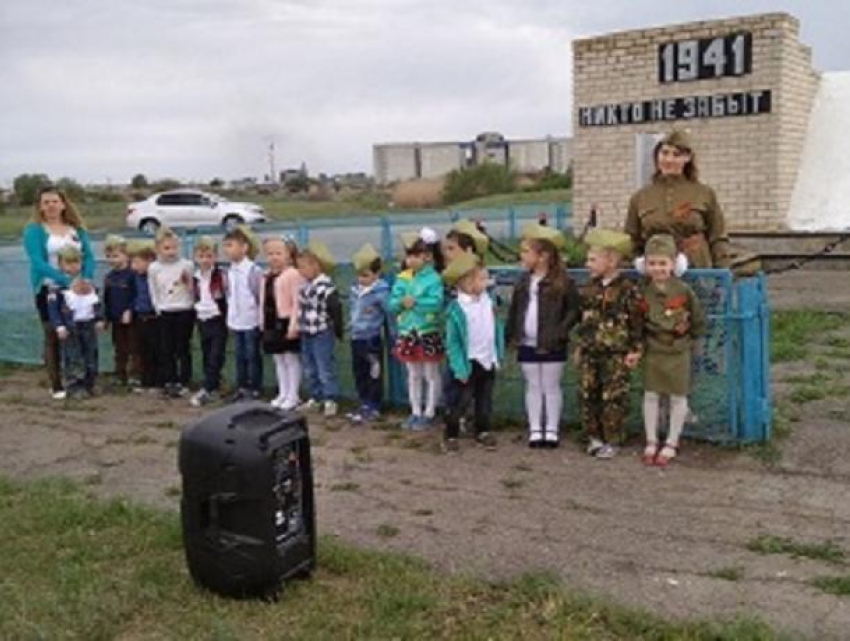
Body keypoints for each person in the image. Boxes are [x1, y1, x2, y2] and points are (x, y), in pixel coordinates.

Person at [506, 223, 580, 448]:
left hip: (552, 342)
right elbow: (515, 310)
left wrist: (560, 332)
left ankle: (552, 429)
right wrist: (512, 334)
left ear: (543, 256)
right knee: (533, 385)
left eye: (526, 251)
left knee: (551, 385)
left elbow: (573, 311)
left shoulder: (563, 282)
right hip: (527, 342)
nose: (522, 256)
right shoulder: (523, 281)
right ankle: (536, 428)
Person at [575, 229, 644, 460]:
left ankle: (612, 438)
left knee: (613, 397)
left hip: (616, 352)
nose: (588, 264)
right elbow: (584, 320)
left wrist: (635, 349)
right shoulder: (589, 287)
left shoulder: (628, 289)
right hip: (590, 350)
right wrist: (580, 346)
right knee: (588, 393)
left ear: (612, 261)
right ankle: (592, 436)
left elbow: (636, 322)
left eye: (593, 259)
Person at [22, 186, 95, 399]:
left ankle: (81, 378)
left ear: (63, 204)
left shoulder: (76, 229)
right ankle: (56, 384)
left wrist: (86, 278)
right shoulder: (34, 231)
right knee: (53, 334)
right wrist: (65, 280)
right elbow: (37, 262)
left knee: (79, 334)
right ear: (40, 207)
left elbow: (89, 256)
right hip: (49, 288)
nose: (51, 206)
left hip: (78, 289)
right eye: (46, 202)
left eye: (55, 201)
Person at [640, 234, 706, 467]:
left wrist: (691, 338)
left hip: (678, 350)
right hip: (654, 349)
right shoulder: (643, 291)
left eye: (663, 263)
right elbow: (638, 320)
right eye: (652, 263)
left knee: (678, 396)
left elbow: (697, 318)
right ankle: (651, 439)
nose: (658, 268)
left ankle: (671, 441)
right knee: (651, 395)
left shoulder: (683, 290)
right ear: (645, 265)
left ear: (673, 264)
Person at [625, 129, 731, 269]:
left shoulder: (703, 193)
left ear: (687, 158)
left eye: (676, 155)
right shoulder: (640, 197)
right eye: (664, 153)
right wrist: (634, 266)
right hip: (656, 269)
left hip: (696, 267)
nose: (669, 160)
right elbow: (631, 240)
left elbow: (717, 237)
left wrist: (723, 271)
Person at [442, 253, 502, 452]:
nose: (487, 282)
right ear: (467, 282)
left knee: (484, 399)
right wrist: (459, 367)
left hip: (487, 359)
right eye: (482, 278)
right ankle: (450, 434)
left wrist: (497, 354)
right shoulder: (457, 309)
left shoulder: (488, 301)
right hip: (467, 362)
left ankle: (482, 430)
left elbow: (495, 328)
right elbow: (453, 343)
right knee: (459, 401)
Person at [389, 228, 445, 430]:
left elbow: (436, 303)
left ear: (427, 256)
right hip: (408, 332)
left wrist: (416, 303)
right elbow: (392, 303)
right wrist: (400, 303)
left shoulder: (434, 278)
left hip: (427, 331)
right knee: (413, 373)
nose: (411, 260)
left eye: (415, 256)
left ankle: (430, 411)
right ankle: (415, 410)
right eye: (409, 256)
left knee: (431, 373)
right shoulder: (402, 278)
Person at [46, 246, 105, 398]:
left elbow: (96, 302)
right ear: (61, 265)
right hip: (70, 327)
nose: (73, 267)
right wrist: (59, 326)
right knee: (73, 355)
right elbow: (53, 309)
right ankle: (75, 385)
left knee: (91, 354)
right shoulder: (57, 287)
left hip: (88, 324)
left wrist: (99, 318)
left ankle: (90, 383)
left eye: (76, 262)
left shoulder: (88, 284)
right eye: (68, 263)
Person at [297, 242, 343, 417]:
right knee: (310, 367)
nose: (301, 271)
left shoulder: (326, 287)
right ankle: (315, 397)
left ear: (316, 266)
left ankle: (330, 398)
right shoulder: (305, 286)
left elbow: (335, 310)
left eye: (304, 267)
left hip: (322, 332)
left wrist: (337, 331)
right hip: (306, 331)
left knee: (325, 366)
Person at [148, 227, 195, 398]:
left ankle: (184, 380)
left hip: (184, 310)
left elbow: (192, 288)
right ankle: (170, 380)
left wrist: (190, 298)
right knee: (166, 348)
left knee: (182, 347)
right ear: (158, 249)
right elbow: (153, 289)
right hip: (165, 311)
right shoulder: (154, 268)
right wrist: (158, 307)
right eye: (166, 248)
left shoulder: (186, 265)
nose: (171, 252)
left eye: (174, 247)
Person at [347, 243, 390, 424]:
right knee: (359, 371)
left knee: (374, 372)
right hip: (356, 336)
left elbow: (389, 311)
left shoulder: (380, 292)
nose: (361, 279)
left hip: (371, 337)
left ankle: (374, 405)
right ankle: (364, 401)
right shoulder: (355, 290)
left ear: (376, 274)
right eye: (359, 275)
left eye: (365, 275)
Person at [223, 226, 264, 402]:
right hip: (236, 320)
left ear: (244, 247)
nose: (227, 250)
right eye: (226, 246)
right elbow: (229, 295)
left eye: (231, 245)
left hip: (251, 320)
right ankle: (242, 387)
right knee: (239, 356)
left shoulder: (254, 271)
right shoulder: (229, 271)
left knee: (252, 355)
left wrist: (260, 319)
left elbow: (258, 296)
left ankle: (254, 388)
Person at [261, 236, 303, 411]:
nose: (274, 257)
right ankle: (283, 392)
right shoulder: (267, 276)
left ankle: (293, 395)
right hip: (271, 321)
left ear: (289, 255)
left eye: (278, 253)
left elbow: (297, 302)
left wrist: (294, 324)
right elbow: (264, 300)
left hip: (286, 321)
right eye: (270, 254)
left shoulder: (293, 274)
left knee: (290, 358)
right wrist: (262, 322)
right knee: (278, 359)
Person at [190, 236, 228, 407]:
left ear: (215, 257)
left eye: (209, 256)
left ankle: (210, 387)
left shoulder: (220, 275)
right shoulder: (196, 276)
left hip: (217, 318)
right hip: (202, 318)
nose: (205, 260)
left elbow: (225, 295)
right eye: (201, 256)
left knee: (216, 354)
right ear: (195, 257)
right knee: (206, 353)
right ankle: (212, 385)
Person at [103, 235, 138, 387]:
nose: (112, 260)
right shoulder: (109, 277)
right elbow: (107, 298)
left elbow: (137, 294)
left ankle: (135, 375)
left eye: (116, 256)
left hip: (132, 319)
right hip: (116, 319)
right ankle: (120, 375)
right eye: (109, 256)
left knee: (134, 347)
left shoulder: (133, 275)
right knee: (119, 348)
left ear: (126, 255)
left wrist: (130, 309)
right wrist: (105, 317)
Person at [128, 240, 159, 393]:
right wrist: (131, 309)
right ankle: (145, 380)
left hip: (155, 317)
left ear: (149, 261)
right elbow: (133, 295)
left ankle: (157, 381)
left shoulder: (156, 276)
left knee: (156, 350)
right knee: (142, 350)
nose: (133, 266)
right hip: (140, 316)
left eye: (137, 262)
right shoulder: (135, 278)